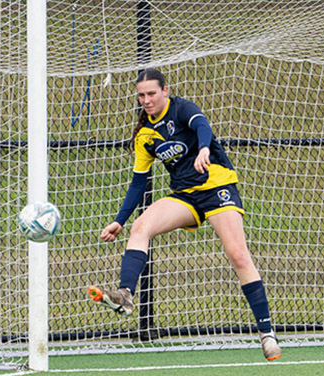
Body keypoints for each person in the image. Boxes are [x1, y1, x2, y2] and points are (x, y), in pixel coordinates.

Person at [87, 68, 282, 361]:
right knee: (140, 227)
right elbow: (139, 182)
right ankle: (125, 294)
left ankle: (266, 332)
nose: (146, 100)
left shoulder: (182, 109)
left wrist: (204, 149)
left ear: (165, 91)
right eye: (141, 95)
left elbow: (202, 126)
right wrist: (119, 220)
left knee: (238, 254)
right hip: (184, 196)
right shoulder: (145, 136)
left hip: (216, 186)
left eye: (152, 93)